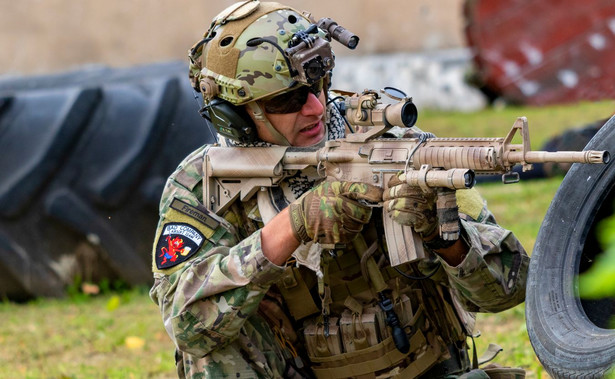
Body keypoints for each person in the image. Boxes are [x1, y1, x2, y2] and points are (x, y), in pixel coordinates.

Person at [149, 1, 529, 378]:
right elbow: (187, 325)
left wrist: (444, 236)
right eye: (288, 100)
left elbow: (511, 288)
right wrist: (292, 227)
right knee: (216, 341)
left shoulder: (389, 143)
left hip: (426, 368)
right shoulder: (203, 183)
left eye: (318, 85)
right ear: (234, 115)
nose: (315, 107)